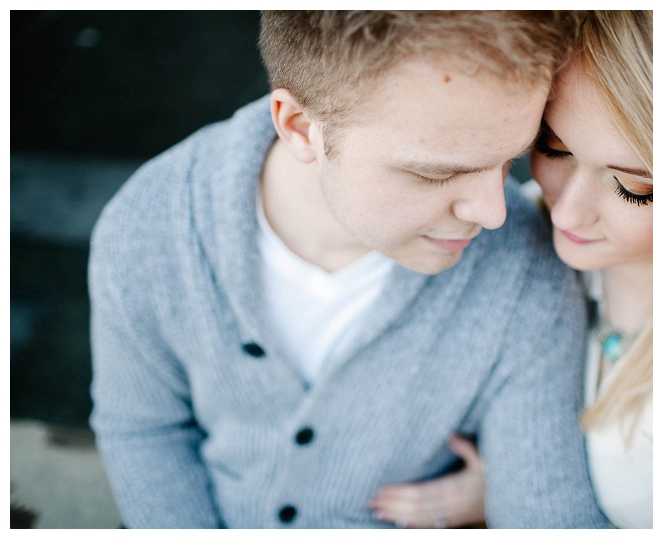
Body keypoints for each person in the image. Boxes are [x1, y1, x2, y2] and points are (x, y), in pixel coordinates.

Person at [88, 11, 608, 528]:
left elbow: (547, 509)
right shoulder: (151, 228)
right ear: (299, 128)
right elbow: (145, 431)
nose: (493, 213)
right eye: (437, 173)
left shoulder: (524, 271)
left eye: (510, 160)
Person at [370, 10, 653, 529]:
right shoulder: (509, 238)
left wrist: (512, 495)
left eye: (635, 188)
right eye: (552, 147)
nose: (565, 211)